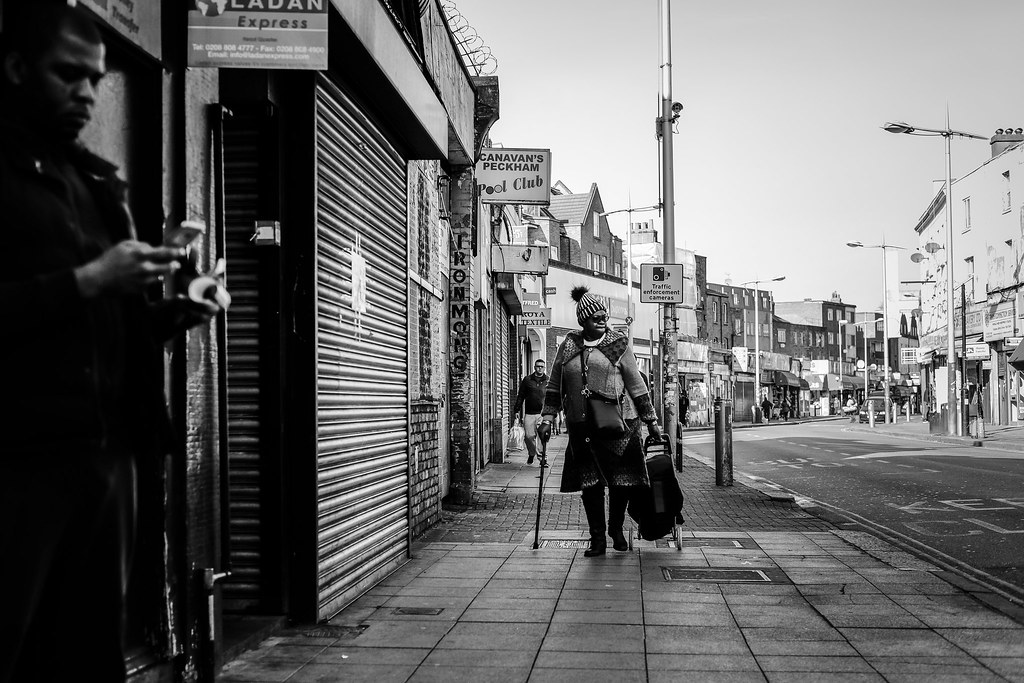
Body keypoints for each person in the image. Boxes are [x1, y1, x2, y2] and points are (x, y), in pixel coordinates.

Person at [0, 5, 220, 681]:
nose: (87, 93)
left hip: (109, 456)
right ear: (15, 69)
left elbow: (119, 326)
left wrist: (177, 310)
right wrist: (90, 278)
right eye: (68, 75)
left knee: (90, 651)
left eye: (95, 80)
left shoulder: (98, 182)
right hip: (20, 457)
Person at [537, 286, 661, 557]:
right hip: (582, 427)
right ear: (583, 321)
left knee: (621, 482)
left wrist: (651, 420)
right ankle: (597, 540)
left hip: (621, 425)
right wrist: (547, 417)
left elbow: (636, 385)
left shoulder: (618, 344)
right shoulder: (569, 345)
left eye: (604, 315)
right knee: (590, 485)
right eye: (596, 317)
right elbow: (554, 386)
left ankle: (615, 530)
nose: (602, 319)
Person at [514, 358, 549, 465]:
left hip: (542, 414)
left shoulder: (548, 380)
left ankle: (543, 459)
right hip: (529, 414)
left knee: (542, 437)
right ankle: (531, 453)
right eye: (538, 366)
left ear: (544, 368)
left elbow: (552, 397)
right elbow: (521, 395)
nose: (540, 368)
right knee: (529, 437)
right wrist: (517, 409)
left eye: (542, 367)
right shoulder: (527, 380)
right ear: (534, 367)